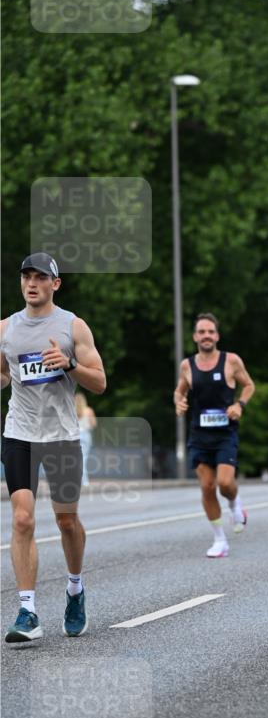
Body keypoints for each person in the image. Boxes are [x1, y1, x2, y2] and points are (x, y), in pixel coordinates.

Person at [1, 253, 106, 643]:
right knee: (22, 519)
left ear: (55, 284)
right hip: (20, 433)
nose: (32, 283)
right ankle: (27, 611)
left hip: (61, 435)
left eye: (40, 277)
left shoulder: (72, 326)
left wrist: (68, 364)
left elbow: (99, 382)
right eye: (26, 276)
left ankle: (75, 589)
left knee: (66, 521)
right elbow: (2, 373)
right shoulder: (6, 329)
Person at [174, 312, 255, 558]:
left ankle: (235, 503)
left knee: (225, 483)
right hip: (199, 435)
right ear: (195, 336)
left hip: (224, 434)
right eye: (202, 332)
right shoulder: (187, 365)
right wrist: (179, 403)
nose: (206, 336)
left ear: (217, 336)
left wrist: (240, 405)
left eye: (210, 332)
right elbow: (179, 392)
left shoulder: (231, 361)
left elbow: (249, 385)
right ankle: (220, 540)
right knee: (207, 487)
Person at [75, 392, 97, 486]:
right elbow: (93, 424)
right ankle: (84, 482)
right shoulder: (88, 410)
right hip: (85, 435)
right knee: (83, 459)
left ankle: (76, 480)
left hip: (75, 435)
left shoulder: (72, 410)